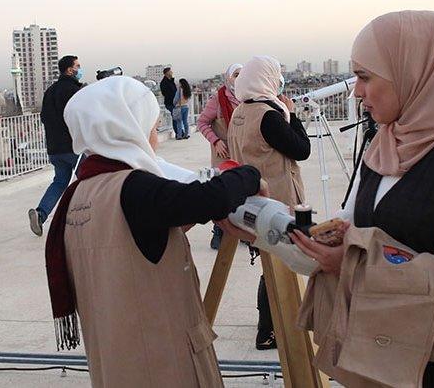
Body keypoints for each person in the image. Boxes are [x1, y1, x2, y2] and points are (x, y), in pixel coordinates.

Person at [290, 11, 434, 387]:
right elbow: (348, 230)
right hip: (385, 356)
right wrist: (282, 229)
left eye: (365, 77)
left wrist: (349, 270)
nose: (356, 92)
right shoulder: (382, 148)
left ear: (411, 73)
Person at [45, 76, 263, 387]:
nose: (155, 136)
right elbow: (209, 198)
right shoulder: (134, 188)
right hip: (159, 362)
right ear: (128, 126)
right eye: (150, 125)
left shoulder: (79, 193)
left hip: (116, 360)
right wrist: (250, 174)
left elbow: (134, 242)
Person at [227, 55, 311, 351]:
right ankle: (268, 330)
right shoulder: (269, 115)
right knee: (280, 264)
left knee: (271, 264)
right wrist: (292, 113)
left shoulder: (240, 111)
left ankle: (273, 323)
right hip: (278, 200)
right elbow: (302, 149)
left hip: (252, 201)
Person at [29, 55, 84, 236]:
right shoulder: (73, 90)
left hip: (54, 148)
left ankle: (41, 213)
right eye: (77, 66)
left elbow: (44, 118)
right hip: (72, 147)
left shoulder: (50, 91)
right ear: (70, 70)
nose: (79, 69)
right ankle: (84, 220)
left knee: (60, 182)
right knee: (89, 182)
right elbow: (81, 116)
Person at [197, 63, 242, 249]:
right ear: (228, 77)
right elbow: (202, 122)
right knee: (224, 192)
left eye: (243, 74)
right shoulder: (219, 98)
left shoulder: (248, 97)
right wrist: (216, 141)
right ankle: (219, 230)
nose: (239, 78)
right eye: (236, 74)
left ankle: (242, 230)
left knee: (243, 191)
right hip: (223, 153)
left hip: (242, 152)